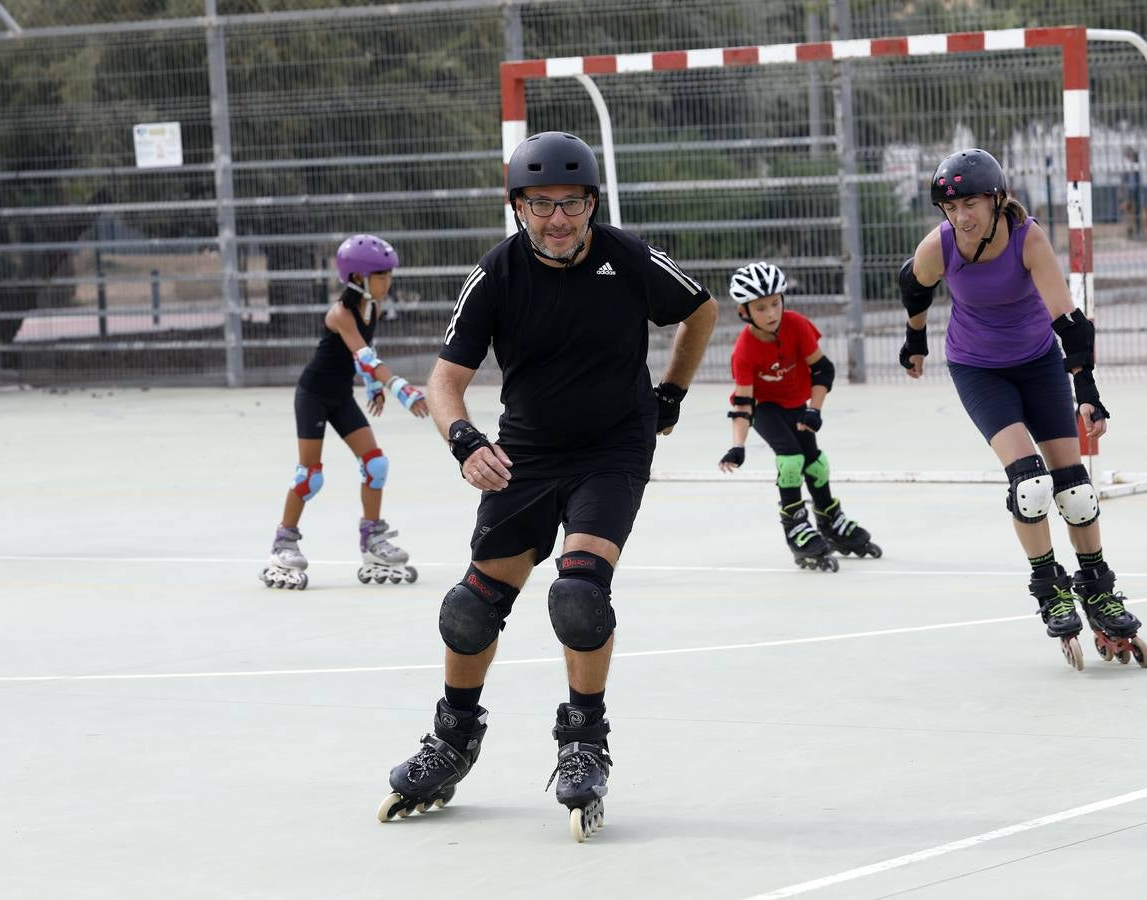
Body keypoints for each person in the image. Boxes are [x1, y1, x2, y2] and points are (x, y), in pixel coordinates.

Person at [376, 131, 718, 841]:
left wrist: (673, 392)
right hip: (526, 453)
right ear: (517, 207)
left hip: (611, 450)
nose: (557, 219)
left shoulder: (626, 258)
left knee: (579, 593)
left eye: (570, 203)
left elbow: (700, 309)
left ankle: (582, 740)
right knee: (469, 609)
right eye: (539, 205)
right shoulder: (496, 274)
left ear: (592, 203)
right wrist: (463, 440)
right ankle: (452, 738)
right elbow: (445, 381)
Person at [899, 148, 1142, 670]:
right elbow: (912, 285)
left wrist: (1088, 390)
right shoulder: (942, 244)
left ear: (995, 198)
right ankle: (1049, 586)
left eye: (970, 203)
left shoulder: (1027, 238)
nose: (961, 216)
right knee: (1030, 486)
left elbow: (1069, 321)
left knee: (1074, 490)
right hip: (978, 369)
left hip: (1037, 364)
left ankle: (1098, 588)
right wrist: (914, 342)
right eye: (950, 206)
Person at [258, 234, 429, 590]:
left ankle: (372, 540)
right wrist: (401, 389)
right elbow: (364, 356)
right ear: (358, 279)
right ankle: (283, 543)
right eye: (383, 275)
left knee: (375, 464)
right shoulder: (339, 313)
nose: (388, 282)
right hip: (313, 395)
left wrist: (373, 388)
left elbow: (366, 351)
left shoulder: (373, 308)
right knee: (310, 475)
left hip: (340, 395)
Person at [716, 261, 881, 571]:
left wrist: (814, 410)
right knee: (791, 459)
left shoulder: (796, 325)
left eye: (775, 303)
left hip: (797, 403)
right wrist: (738, 445)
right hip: (764, 407)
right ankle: (795, 526)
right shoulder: (744, 350)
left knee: (815, 461)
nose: (771, 313)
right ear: (744, 313)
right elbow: (742, 402)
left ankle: (829, 519)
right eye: (761, 307)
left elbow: (823, 369)